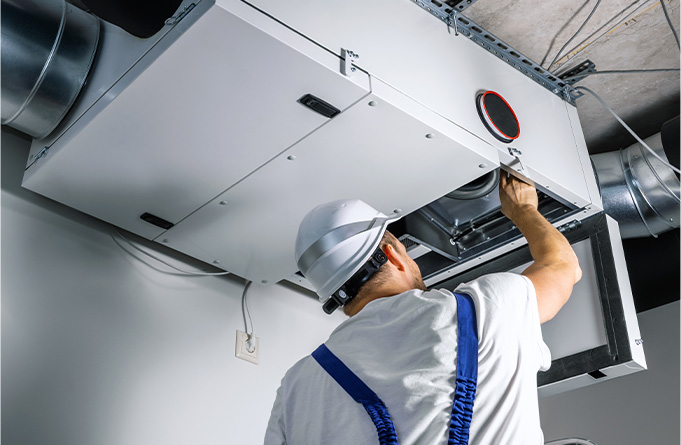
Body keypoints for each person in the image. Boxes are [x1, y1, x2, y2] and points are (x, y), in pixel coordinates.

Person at [264, 173, 582, 445]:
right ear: (392, 253)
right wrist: (524, 209)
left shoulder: (295, 386)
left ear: (336, 296)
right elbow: (562, 268)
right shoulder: (481, 309)